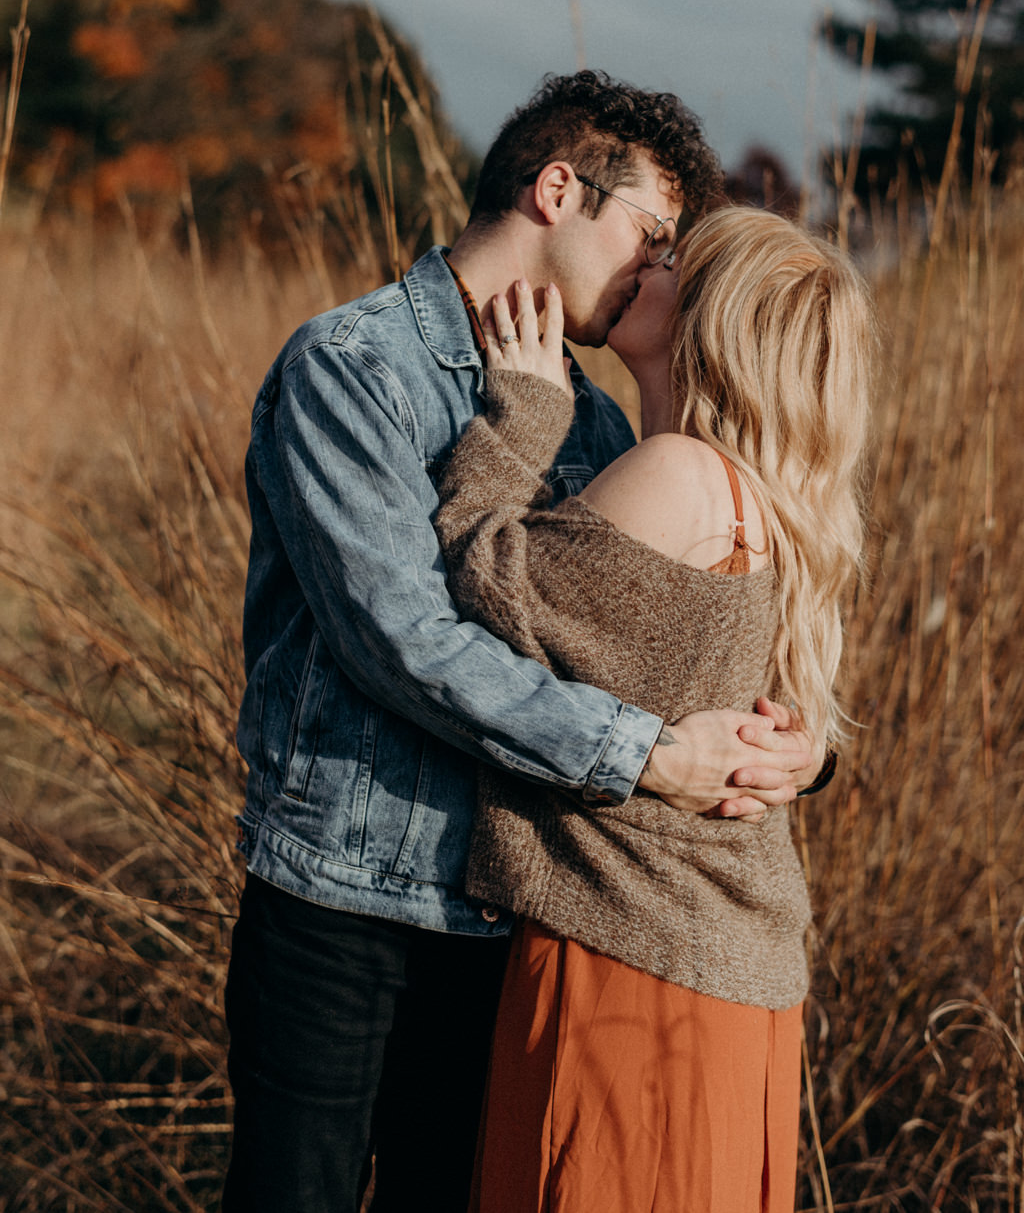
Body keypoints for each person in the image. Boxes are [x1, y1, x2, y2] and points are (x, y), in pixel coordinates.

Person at [221, 73, 821, 1213]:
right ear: (558, 190)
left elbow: (657, 634)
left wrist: (790, 749)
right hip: (343, 904)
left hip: (513, 917)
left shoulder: (592, 417)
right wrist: (644, 753)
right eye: (650, 232)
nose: (655, 269)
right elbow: (401, 640)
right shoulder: (353, 367)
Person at [434, 205, 874, 1213]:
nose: (645, 263)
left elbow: (482, 590)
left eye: (673, 260)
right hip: (720, 972)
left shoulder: (679, 475)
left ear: (710, 321)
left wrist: (522, 414)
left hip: (632, 962)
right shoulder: (768, 503)